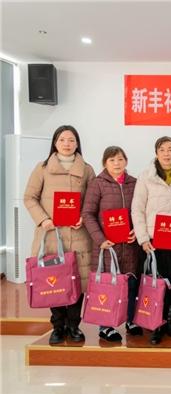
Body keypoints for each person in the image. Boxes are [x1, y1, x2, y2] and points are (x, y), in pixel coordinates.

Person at [24, 125, 95, 345]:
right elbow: (29, 197)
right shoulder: (42, 168)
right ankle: (58, 326)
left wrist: (83, 216)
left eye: (71, 140)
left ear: (77, 143)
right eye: (62, 139)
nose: (67, 144)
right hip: (51, 235)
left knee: (77, 281)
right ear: (55, 143)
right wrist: (44, 219)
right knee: (52, 282)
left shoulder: (87, 169)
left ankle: (74, 325)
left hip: (79, 235)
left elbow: (92, 200)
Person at [131, 136, 171, 345]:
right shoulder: (146, 177)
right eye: (162, 149)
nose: (167, 153)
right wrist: (142, 238)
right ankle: (156, 324)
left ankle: (169, 321)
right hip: (152, 240)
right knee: (155, 283)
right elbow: (137, 209)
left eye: (170, 149)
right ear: (156, 153)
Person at [81, 146, 142, 342]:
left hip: (130, 246)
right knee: (108, 287)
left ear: (126, 161)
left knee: (131, 284)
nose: (117, 163)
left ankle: (131, 320)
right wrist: (100, 239)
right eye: (112, 160)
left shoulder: (135, 183)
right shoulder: (97, 184)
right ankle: (106, 327)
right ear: (104, 163)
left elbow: (139, 211)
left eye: (120, 159)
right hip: (107, 246)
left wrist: (137, 231)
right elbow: (87, 214)